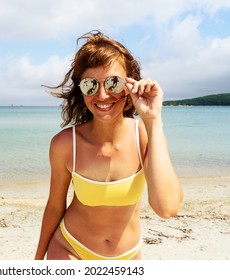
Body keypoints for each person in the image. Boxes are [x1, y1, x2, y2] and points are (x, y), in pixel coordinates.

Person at [35, 30, 183, 260]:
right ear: (81, 90)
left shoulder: (144, 135)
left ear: (130, 84)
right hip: (70, 249)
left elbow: (167, 208)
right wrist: (36, 263)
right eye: (90, 85)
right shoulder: (65, 144)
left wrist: (153, 121)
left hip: (128, 256)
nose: (102, 95)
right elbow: (55, 206)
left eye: (113, 83)